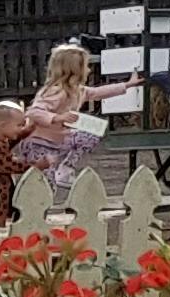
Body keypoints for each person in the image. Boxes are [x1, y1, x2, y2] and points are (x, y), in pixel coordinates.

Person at [14, 43, 135, 193]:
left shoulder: (78, 90)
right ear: (75, 70)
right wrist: (57, 117)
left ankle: (66, 167)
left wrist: (127, 85)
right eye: (86, 66)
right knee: (43, 185)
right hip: (39, 143)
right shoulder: (56, 91)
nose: (89, 70)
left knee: (91, 131)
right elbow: (34, 112)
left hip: (57, 141)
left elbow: (98, 92)